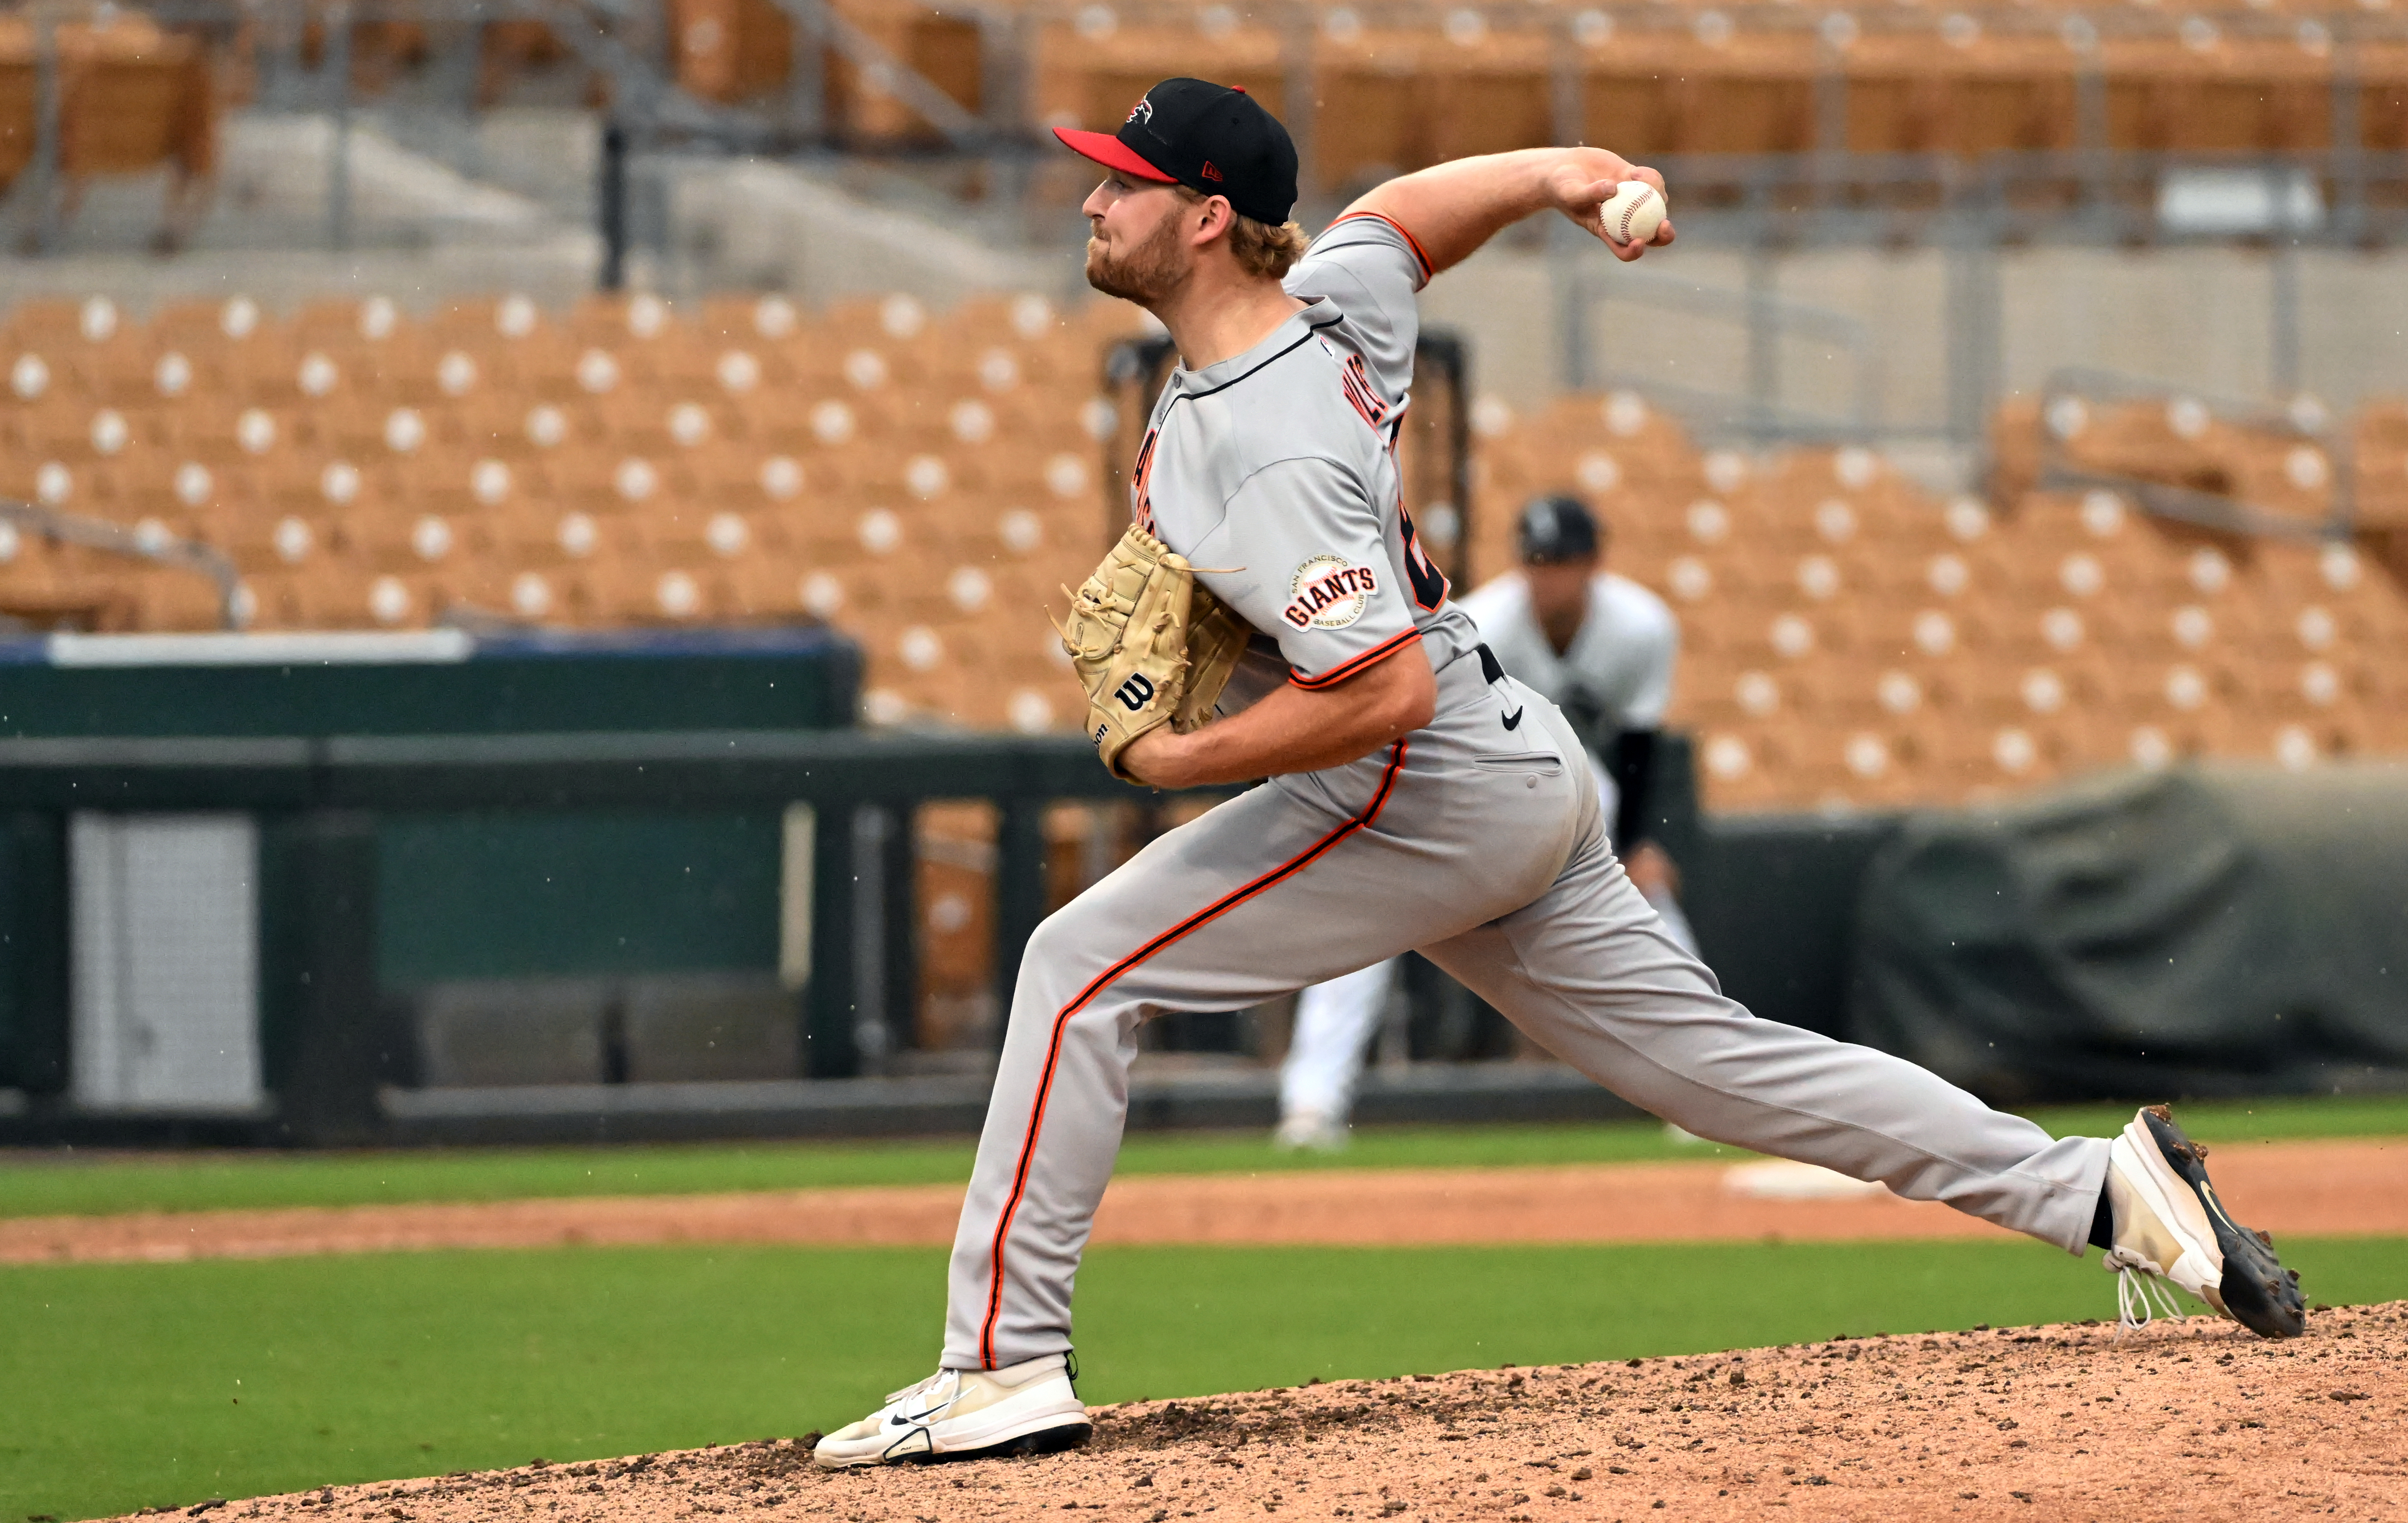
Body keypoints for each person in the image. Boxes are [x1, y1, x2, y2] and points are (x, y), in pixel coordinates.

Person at [811, 77, 2304, 1470]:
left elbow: (1377, 690)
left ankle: (1003, 1361)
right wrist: (1558, 170)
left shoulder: (1265, 445)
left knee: (1079, 966)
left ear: (1206, 218)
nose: (1092, 203)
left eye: (1125, 184)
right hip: (1509, 767)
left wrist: (1187, 757)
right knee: (1715, 1067)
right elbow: (1399, 218)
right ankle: (2103, 1193)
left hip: (1420, 779)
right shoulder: (1323, 309)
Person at [1275, 494, 1694, 1150]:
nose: (1546, 574)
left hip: (1577, 782)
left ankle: (1697, 1083)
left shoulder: (1641, 625)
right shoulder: (1487, 618)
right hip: (1461, 777)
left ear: (1593, 563)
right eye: (1536, 560)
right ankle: (1311, 1103)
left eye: (1560, 561)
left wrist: (1638, 844)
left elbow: (1639, 745)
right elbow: (1431, 729)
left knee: (1648, 895)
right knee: (1367, 908)